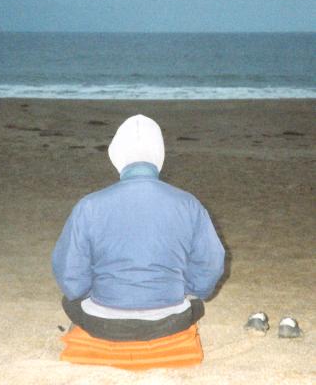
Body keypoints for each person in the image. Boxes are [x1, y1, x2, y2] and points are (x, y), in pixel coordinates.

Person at [52, 114, 225, 341]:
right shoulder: (188, 204)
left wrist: (101, 293)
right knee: (196, 304)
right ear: (159, 155)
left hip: (103, 324)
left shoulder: (89, 205)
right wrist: (183, 290)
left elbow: (70, 277)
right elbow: (210, 266)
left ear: (117, 155)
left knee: (70, 301)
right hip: (170, 322)